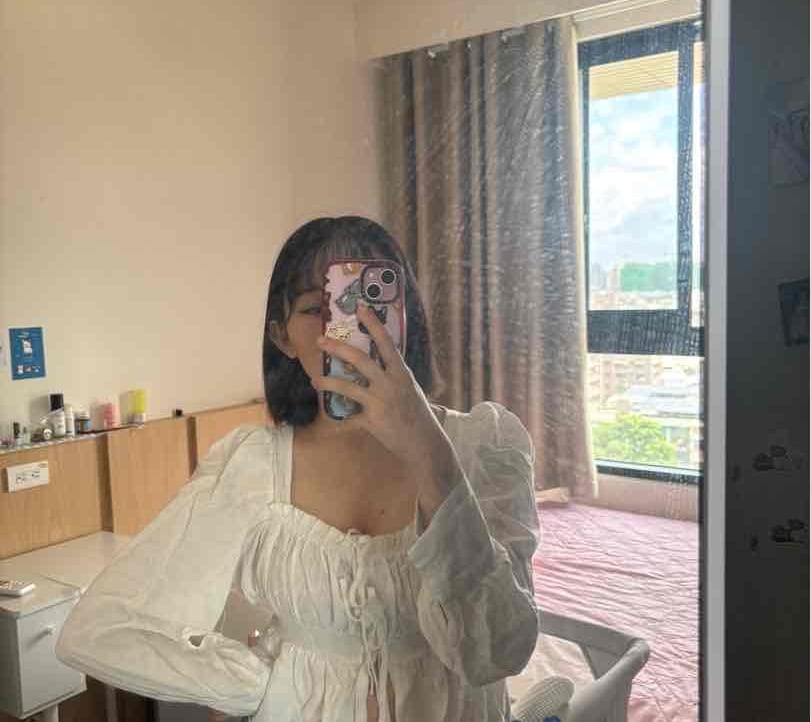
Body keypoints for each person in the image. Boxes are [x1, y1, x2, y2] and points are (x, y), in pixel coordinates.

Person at [56, 217, 540, 722]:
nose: (344, 328)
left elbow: (497, 652)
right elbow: (98, 630)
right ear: (282, 336)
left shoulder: (484, 445)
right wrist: (246, 685)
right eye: (315, 308)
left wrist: (428, 451)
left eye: (369, 303)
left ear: (405, 319)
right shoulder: (251, 467)